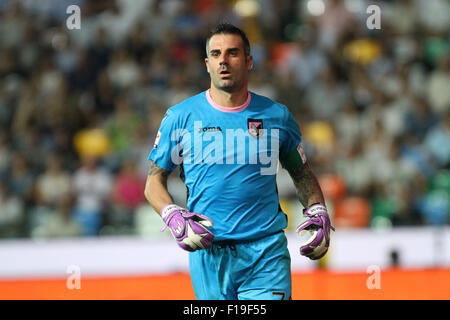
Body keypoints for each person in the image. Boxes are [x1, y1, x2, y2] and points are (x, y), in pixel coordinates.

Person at [144, 23, 334, 300]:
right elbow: (153, 182)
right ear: (206, 63)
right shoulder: (180, 117)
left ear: (248, 61)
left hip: (265, 252)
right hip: (208, 253)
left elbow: (302, 173)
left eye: (232, 53)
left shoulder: (276, 116)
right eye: (216, 53)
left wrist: (317, 209)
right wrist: (171, 214)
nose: (223, 60)